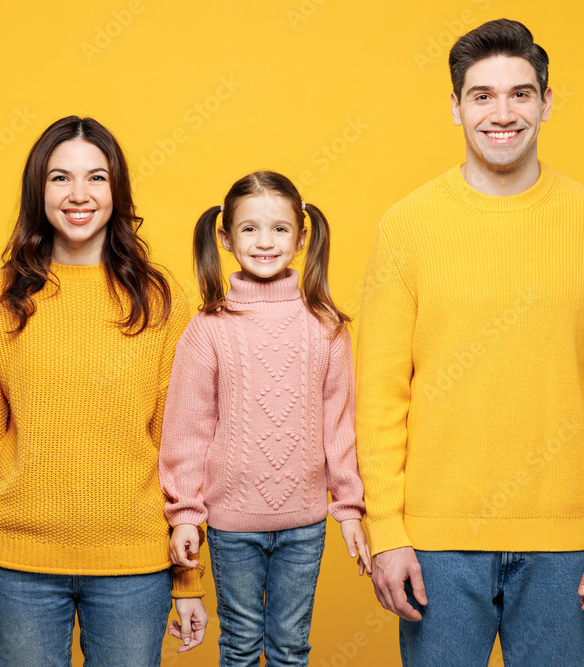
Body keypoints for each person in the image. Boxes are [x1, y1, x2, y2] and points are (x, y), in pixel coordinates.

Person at [356, 19, 584, 666]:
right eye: (482, 95)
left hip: (567, 547)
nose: (502, 112)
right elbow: (378, 396)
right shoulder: (405, 227)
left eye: (520, 93)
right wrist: (386, 531)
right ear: (455, 107)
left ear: (547, 101)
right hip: (433, 545)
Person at [0, 115, 207, 666]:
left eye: (97, 178)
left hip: (135, 564)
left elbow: (184, 445)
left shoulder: (162, 299)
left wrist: (188, 580)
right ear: (38, 191)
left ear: (118, 190)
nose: (79, 194)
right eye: (60, 178)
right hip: (17, 565)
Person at [159, 170, 371, 667]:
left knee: (291, 647)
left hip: (304, 525)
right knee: (239, 645)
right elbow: (187, 431)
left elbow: (339, 427)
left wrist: (350, 508)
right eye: (249, 228)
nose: (264, 241)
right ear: (226, 237)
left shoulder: (325, 326)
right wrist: (185, 513)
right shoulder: (207, 329)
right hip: (232, 526)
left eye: (279, 228)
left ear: (300, 237)